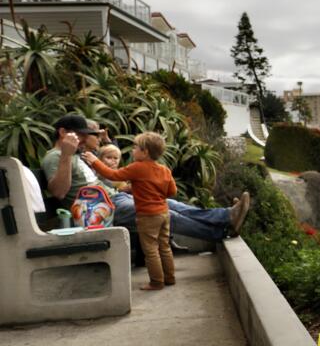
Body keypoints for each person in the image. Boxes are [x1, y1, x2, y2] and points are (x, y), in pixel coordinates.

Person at [41, 115, 250, 240]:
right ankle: (220, 232)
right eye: (81, 134)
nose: (85, 138)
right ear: (62, 133)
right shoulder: (55, 157)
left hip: (114, 198)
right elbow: (59, 192)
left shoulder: (76, 155)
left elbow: (107, 167)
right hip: (100, 211)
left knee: (169, 203)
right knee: (164, 213)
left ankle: (225, 216)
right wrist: (67, 155)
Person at [83, 132, 175, 290]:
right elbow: (171, 191)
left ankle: (156, 282)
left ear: (145, 152)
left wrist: (95, 161)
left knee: (151, 249)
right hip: (164, 213)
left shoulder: (137, 168)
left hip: (147, 215)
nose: (132, 150)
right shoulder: (164, 170)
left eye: (135, 147)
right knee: (164, 246)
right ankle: (170, 278)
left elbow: (112, 174)